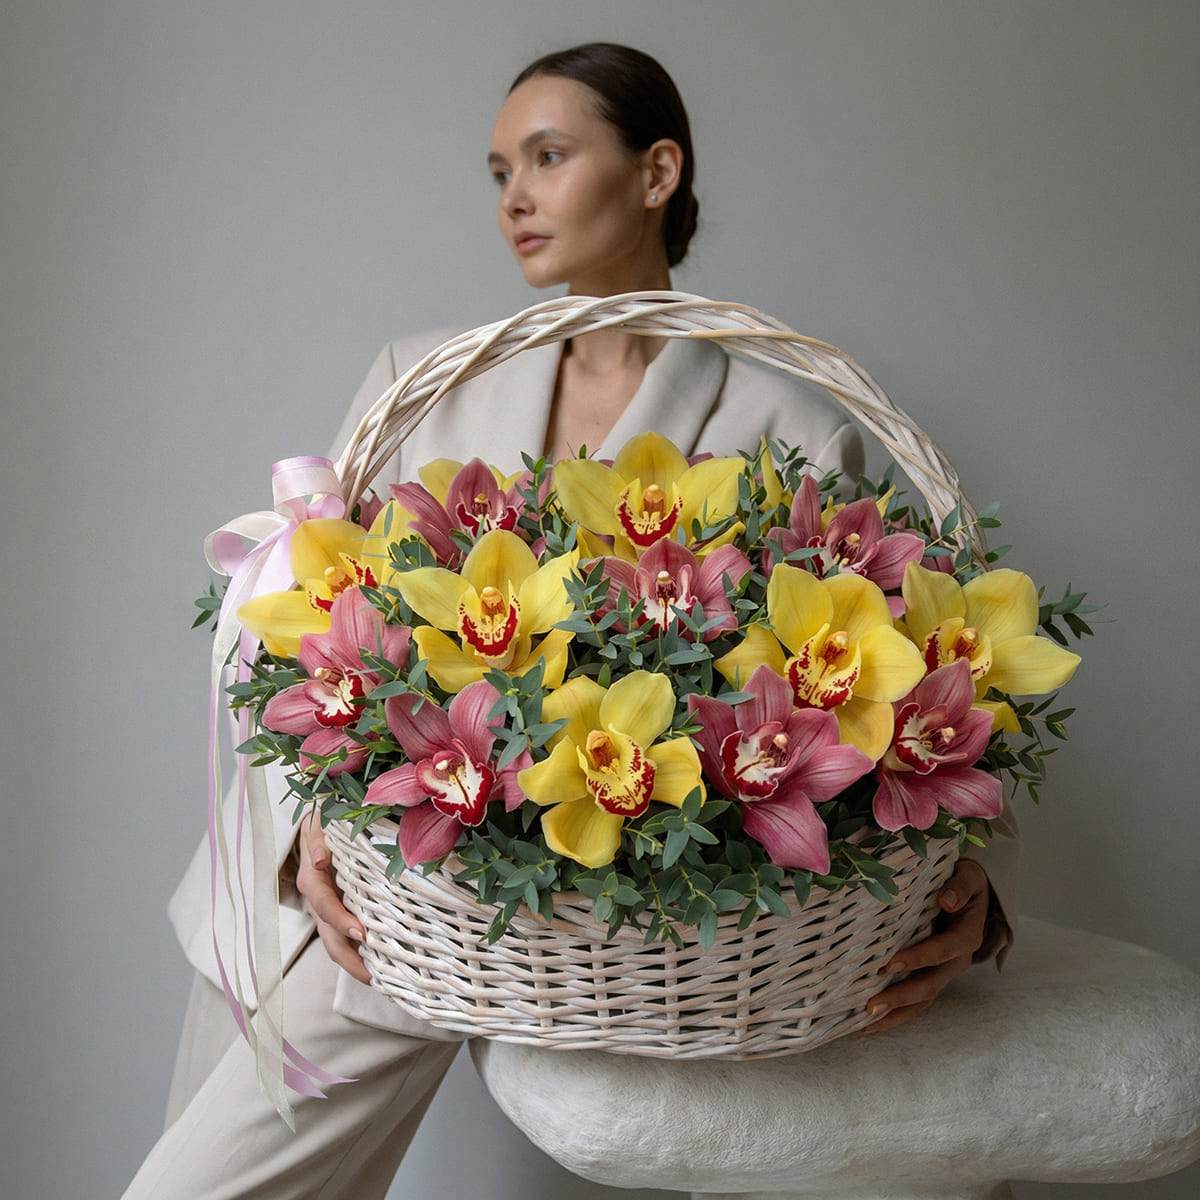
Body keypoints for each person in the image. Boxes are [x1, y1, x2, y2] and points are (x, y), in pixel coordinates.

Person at [125, 42, 1017, 1200]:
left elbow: (913, 682)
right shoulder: (424, 379)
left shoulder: (793, 421)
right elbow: (309, 632)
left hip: (633, 937)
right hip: (377, 898)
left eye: (549, 156)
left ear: (656, 172)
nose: (515, 196)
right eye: (501, 170)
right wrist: (308, 842)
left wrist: (975, 888)